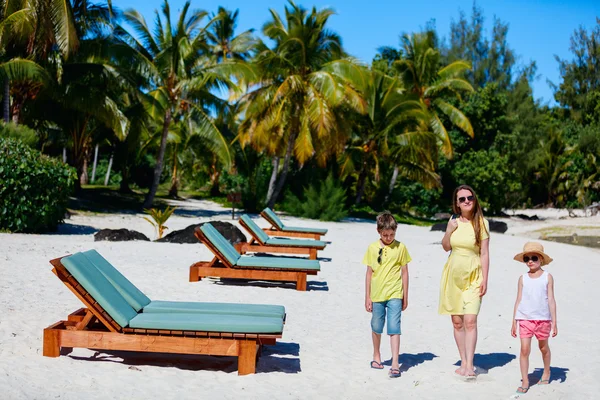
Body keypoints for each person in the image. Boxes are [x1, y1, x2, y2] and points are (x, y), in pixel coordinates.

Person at [439, 184, 490, 378]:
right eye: (462, 199)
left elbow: (484, 253)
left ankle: (469, 364)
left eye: (470, 197)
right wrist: (449, 230)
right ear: (457, 204)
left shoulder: (482, 223)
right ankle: (463, 360)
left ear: (474, 200)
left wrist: (485, 278)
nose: (467, 201)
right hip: (453, 276)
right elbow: (445, 247)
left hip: (474, 275)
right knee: (457, 322)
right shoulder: (453, 221)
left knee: (470, 320)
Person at [363, 211, 411, 378]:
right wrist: (367, 297)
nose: (389, 237)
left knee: (394, 327)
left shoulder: (401, 247)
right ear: (379, 231)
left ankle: (396, 363)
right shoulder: (372, 248)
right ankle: (376, 356)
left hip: (395, 293)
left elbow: (405, 272)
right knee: (377, 326)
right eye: (385, 235)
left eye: (392, 234)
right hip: (377, 294)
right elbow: (369, 273)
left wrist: (405, 294)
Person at [511, 242, 557, 394]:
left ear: (541, 259)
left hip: (543, 319)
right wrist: (514, 321)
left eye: (534, 258)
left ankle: (546, 371)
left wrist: (555, 322)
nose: (530, 261)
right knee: (524, 349)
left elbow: (551, 299)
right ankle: (525, 380)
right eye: (526, 258)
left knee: (543, 348)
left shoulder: (547, 277)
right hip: (524, 318)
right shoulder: (522, 278)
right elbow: (518, 300)